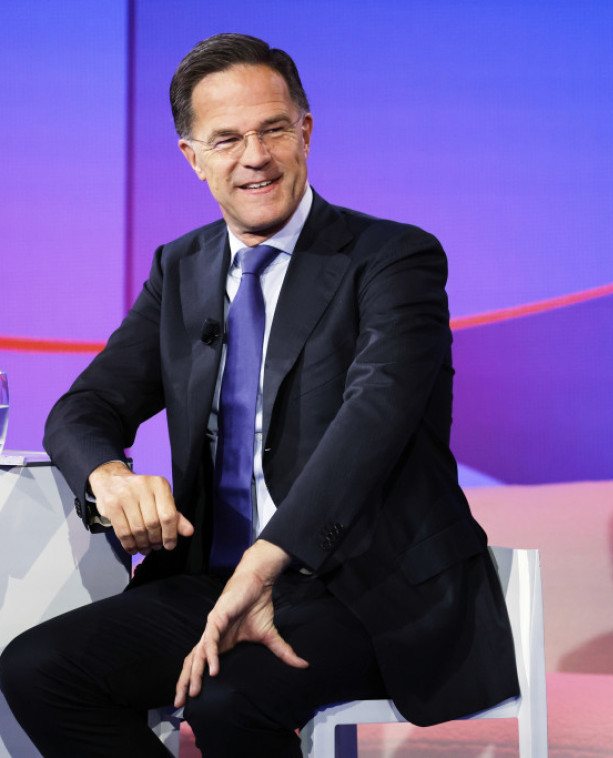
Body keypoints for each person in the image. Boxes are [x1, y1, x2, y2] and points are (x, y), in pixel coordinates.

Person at [0, 33, 518, 758]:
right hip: (211, 577)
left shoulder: (394, 258)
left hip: (365, 587)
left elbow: (375, 417)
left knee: (230, 702)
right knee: (37, 670)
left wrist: (265, 562)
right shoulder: (181, 268)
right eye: (227, 139)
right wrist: (107, 475)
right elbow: (83, 408)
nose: (256, 157)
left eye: (274, 129)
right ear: (193, 156)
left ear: (306, 131)